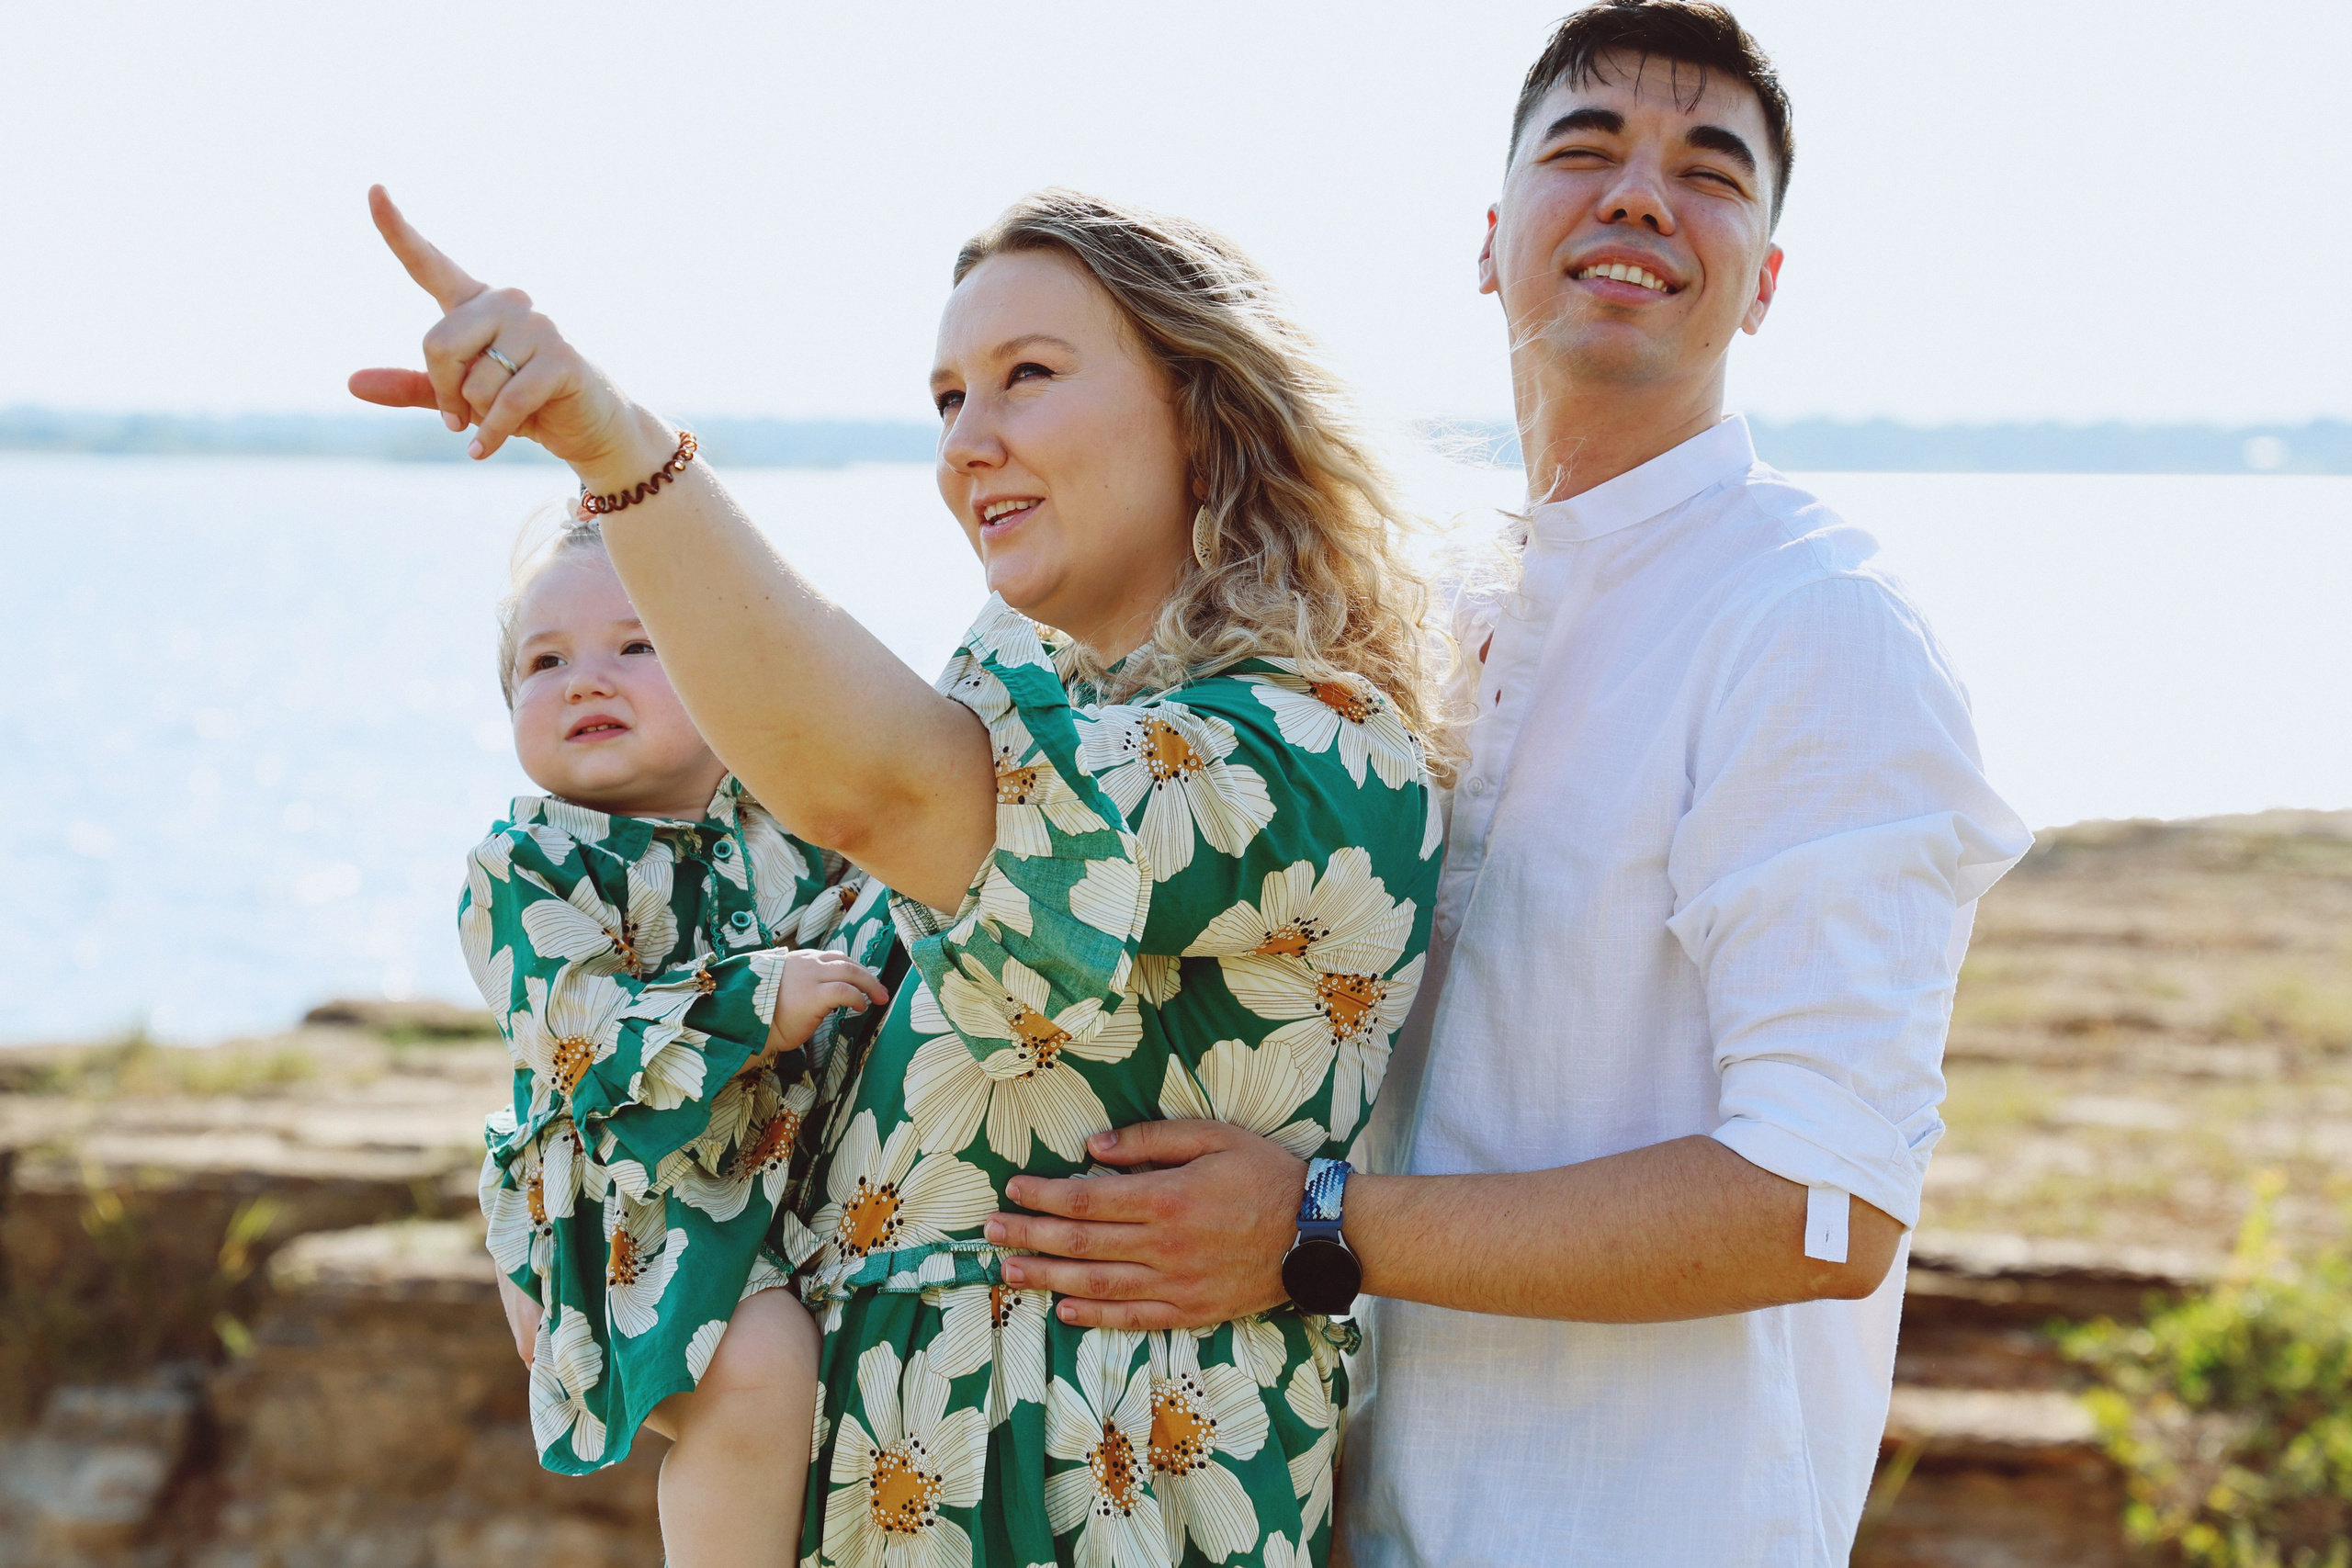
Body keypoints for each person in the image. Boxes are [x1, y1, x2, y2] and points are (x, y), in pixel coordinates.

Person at [980, 5, 2036, 1564]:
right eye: (1587, 148)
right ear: (1491, 241)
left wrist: (1314, 1226)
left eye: (1711, 171)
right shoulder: (1417, 612)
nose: (1638, 194)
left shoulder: (1814, 624)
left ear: (1765, 280)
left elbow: (1826, 1204)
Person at [355, 186, 1450, 1567]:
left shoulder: (1304, 759)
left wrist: (611, 443)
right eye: (944, 398)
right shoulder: (1009, 728)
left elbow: (868, 774)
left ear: (1202, 404)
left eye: (1027, 377)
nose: (965, 442)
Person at [464, 514, 895, 1568]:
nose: (584, 681)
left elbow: (889, 887)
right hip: (629, 1208)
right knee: (755, 1363)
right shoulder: (528, 865)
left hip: (777, 1197)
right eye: (544, 661)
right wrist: (755, 999)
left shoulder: (792, 819)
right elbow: (583, 1037)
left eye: (638, 646)